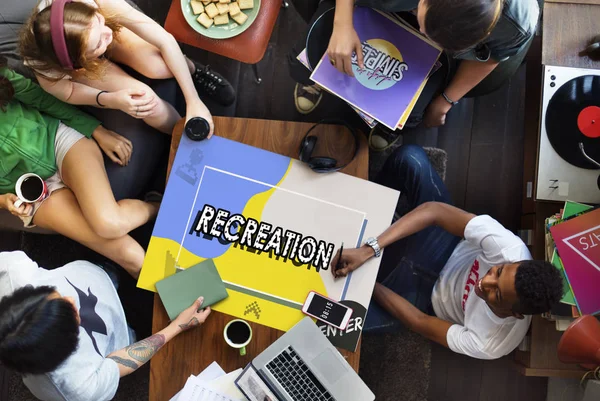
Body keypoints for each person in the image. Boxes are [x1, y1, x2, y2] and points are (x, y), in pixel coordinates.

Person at [331, 144, 564, 360]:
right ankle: (371, 205)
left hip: (421, 297)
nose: (485, 282)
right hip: (444, 244)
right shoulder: (509, 248)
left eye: (497, 295)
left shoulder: (490, 343)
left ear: (515, 314)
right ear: (516, 262)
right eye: (498, 271)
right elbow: (434, 212)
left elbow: (419, 321)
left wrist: (366, 282)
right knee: (410, 158)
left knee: (334, 321)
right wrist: (370, 249)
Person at [0, 56, 155, 278]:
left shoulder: (3, 78)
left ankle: (157, 206)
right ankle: (185, 304)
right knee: (133, 257)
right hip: (29, 193)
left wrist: (98, 131)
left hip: (57, 142)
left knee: (110, 223)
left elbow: (45, 101)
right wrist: (4, 202)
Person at [289, 0, 538, 128]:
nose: (419, 30)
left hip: (431, 48)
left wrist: (444, 103)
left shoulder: (516, 22)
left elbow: (493, 56)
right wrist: (342, 23)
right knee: (302, 64)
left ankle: (386, 124)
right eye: (423, 23)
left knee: (413, 116)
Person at [0, 251, 212, 401]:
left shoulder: (10, 274)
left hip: (100, 269)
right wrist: (177, 326)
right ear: (68, 344)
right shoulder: (78, 387)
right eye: (72, 313)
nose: (72, 300)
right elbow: (118, 363)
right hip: (127, 321)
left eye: (55, 294)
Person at [20, 0, 236, 137]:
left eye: (99, 22)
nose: (109, 34)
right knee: (143, 99)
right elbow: (69, 91)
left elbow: (164, 40)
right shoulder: (46, 67)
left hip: (86, 39)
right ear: (78, 64)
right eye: (99, 43)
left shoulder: (93, 5)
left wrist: (193, 100)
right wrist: (112, 99)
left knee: (160, 66)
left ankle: (193, 70)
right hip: (80, 60)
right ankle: (184, 134)